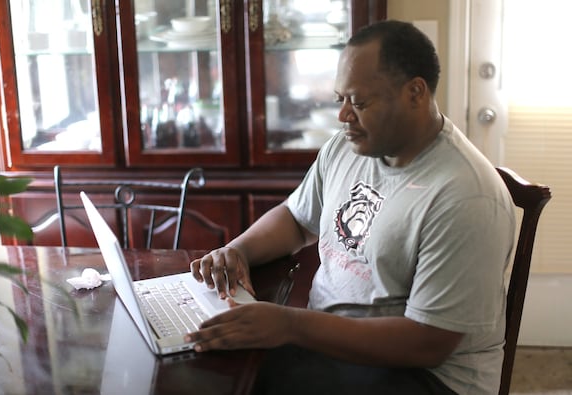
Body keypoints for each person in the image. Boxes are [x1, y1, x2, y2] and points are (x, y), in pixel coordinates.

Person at [186, 20, 516, 395]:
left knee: (233, 382)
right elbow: (296, 219)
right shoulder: (350, 145)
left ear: (416, 93)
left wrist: (290, 325)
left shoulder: (465, 196)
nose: (343, 116)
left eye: (359, 102)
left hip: (426, 377)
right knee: (211, 363)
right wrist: (237, 250)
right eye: (339, 99)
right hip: (331, 344)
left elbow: (428, 342)